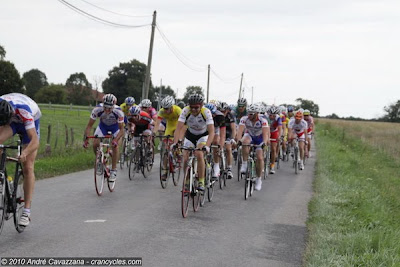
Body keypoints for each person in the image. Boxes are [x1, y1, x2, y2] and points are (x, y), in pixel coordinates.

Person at [0, 93, 41, 227]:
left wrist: (25, 152)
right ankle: (3, 176)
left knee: (28, 166)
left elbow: (35, 141)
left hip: (28, 123)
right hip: (10, 120)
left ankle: (26, 211)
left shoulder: (24, 111)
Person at [173, 94, 214, 191]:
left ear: (201, 105)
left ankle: (201, 181)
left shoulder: (206, 112)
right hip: (190, 135)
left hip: (203, 136)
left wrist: (207, 146)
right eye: (192, 107)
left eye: (196, 107)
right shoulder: (186, 111)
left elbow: (212, 132)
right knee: (185, 157)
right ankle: (187, 182)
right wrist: (175, 143)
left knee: (199, 154)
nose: (194, 110)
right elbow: (178, 129)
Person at [83, 94, 124, 182]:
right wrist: (86, 139)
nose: (107, 110)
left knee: (115, 146)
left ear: (113, 106)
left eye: (109, 108)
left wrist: (116, 140)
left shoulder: (118, 111)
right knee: (95, 144)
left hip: (115, 128)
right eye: (105, 107)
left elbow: (122, 130)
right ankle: (99, 161)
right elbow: (89, 126)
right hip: (103, 127)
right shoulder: (97, 110)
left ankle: (113, 170)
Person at [236, 104, 269, 191]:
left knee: (259, 158)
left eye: (251, 114)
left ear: (256, 113)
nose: (249, 115)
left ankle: (258, 179)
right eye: (248, 113)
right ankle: (244, 163)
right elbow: (240, 131)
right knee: (244, 142)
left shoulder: (263, 120)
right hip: (249, 135)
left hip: (259, 138)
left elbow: (265, 134)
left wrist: (264, 143)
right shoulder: (244, 119)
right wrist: (239, 140)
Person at [152, 96, 182, 181]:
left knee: (176, 142)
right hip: (169, 127)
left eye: (167, 108)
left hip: (178, 126)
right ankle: (165, 171)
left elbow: (182, 124)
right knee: (166, 149)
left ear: (172, 106)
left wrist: (179, 137)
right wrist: (154, 133)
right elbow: (157, 123)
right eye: (164, 108)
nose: (166, 110)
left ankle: (178, 153)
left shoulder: (178, 110)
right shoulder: (161, 112)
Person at [204, 102, 226, 180]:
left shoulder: (220, 116)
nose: (211, 117)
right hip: (205, 130)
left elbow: (223, 134)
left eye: (212, 115)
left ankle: (216, 165)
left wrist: (221, 145)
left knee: (215, 142)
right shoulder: (202, 114)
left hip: (216, 130)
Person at [221, 102, 236, 179]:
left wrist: (233, 138)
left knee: (228, 149)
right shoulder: (217, 116)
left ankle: (229, 168)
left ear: (227, 110)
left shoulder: (230, 116)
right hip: (220, 133)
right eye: (221, 111)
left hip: (228, 133)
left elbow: (233, 129)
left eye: (224, 111)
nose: (222, 113)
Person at [267, 105, 282, 174]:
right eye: (271, 115)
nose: (272, 117)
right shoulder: (266, 117)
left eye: (273, 115)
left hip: (274, 132)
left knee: (273, 148)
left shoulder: (278, 118)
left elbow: (279, 128)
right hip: (266, 131)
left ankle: (272, 165)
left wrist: (279, 136)